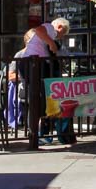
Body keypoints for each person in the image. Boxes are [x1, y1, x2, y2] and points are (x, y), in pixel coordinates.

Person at [23, 18, 75, 146]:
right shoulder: (50, 28)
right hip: (33, 64)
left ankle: (40, 134)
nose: (61, 36)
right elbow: (39, 30)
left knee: (44, 98)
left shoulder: (50, 36)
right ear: (60, 26)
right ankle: (37, 134)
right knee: (40, 98)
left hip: (37, 64)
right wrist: (51, 43)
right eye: (63, 32)